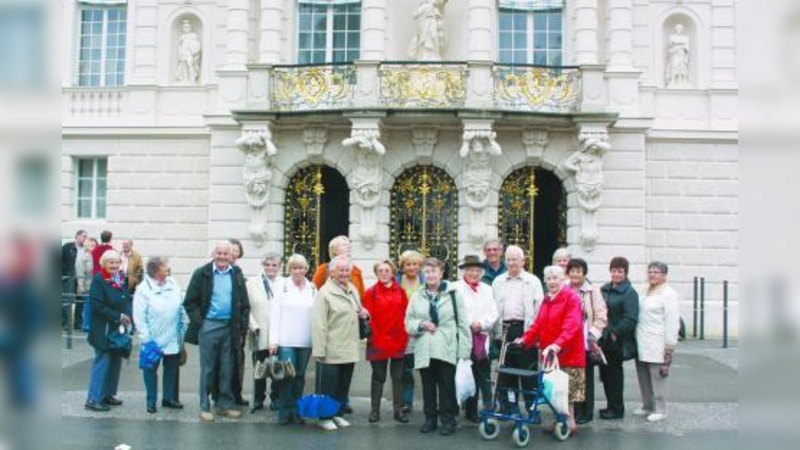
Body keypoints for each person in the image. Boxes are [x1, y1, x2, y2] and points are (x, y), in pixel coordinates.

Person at [514, 265, 585, 436]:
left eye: (555, 278)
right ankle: (560, 420)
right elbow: (538, 325)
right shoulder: (547, 299)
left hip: (568, 352)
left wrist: (557, 344)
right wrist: (525, 339)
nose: (552, 282)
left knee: (567, 390)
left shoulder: (571, 297)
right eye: (549, 278)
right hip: (550, 354)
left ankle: (570, 422)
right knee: (555, 390)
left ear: (562, 280)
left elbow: (572, 324)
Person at [183, 241, 250, 422]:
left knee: (227, 367)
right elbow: (190, 302)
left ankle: (224, 405)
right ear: (213, 254)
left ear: (231, 256)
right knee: (208, 368)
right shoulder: (201, 273)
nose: (222, 257)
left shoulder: (236, 273)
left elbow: (244, 304)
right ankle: (204, 405)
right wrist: (201, 322)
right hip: (209, 325)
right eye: (219, 253)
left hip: (230, 327)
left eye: (225, 254)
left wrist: (242, 330)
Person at [405, 257, 471, 436]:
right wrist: (421, 324)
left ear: (441, 273)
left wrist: (464, 351)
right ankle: (430, 419)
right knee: (428, 387)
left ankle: (448, 421)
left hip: (446, 347)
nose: (430, 275)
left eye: (434, 271)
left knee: (447, 386)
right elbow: (408, 323)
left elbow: (463, 324)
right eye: (427, 272)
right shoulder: (417, 295)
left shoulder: (453, 294)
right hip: (424, 348)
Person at [312, 255, 368, 431]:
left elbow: (357, 309)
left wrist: (364, 313)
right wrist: (319, 350)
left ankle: (337, 414)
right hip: (331, 347)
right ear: (332, 272)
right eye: (341, 270)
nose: (345, 273)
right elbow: (319, 324)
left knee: (343, 385)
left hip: (349, 346)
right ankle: (324, 418)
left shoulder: (352, 289)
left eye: (347, 270)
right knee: (328, 386)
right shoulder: (324, 293)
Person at [491, 245, 544, 415]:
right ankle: (512, 407)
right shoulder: (498, 281)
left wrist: (535, 335)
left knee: (528, 373)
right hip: (504, 331)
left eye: (515, 259)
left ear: (523, 261)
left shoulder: (533, 281)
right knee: (507, 374)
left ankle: (531, 408)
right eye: (508, 259)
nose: (511, 263)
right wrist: (496, 333)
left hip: (526, 330)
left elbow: (540, 310)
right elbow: (493, 308)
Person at [133, 256, 189, 414]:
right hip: (153, 337)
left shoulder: (173, 283)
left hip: (172, 335)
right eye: (165, 266)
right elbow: (139, 317)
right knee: (150, 370)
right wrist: (146, 338)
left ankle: (169, 398)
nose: (168, 269)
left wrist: (184, 326)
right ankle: (151, 401)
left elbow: (181, 305)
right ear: (156, 270)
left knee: (171, 368)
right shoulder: (143, 289)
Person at [269, 254, 316, 425]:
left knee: (300, 377)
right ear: (289, 269)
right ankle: (284, 412)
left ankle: (296, 412)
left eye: (301, 268)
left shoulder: (312, 288)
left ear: (306, 269)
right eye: (294, 268)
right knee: (287, 377)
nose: (298, 271)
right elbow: (275, 314)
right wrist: (273, 341)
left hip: (306, 341)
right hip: (286, 341)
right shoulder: (282, 286)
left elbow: (316, 315)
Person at [362, 260, 409, 424]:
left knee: (398, 378)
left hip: (398, 339)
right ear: (376, 273)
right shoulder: (371, 292)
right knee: (378, 377)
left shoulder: (401, 292)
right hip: (378, 340)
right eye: (380, 270)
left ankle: (398, 410)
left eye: (387, 270)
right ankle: (374, 410)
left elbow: (406, 314)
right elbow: (368, 317)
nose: (383, 273)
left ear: (393, 272)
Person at [85, 250, 131, 412]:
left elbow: (126, 298)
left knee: (115, 362)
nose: (115, 265)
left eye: (117, 262)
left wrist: (128, 314)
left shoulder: (120, 278)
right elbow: (97, 305)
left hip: (117, 327)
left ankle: (107, 394)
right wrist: (118, 315)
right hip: (103, 328)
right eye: (111, 262)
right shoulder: (99, 280)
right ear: (104, 264)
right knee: (102, 361)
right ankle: (93, 398)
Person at [455, 255, 499, 423]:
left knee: (481, 374)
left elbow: (493, 313)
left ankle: (477, 411)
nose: (474, 273)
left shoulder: (487, 289)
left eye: (477, 270)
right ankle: (457, 408)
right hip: (462, 337)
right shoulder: (455, 288)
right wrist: (468, 324)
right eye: (471, 270)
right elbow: (454, 311)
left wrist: (481, 324)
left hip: (481, 338)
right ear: (464, 271)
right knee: (462, 373)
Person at [634, 262, 680, 423]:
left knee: (658, 375)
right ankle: (647, 405)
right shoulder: (644, 290)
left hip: (658, 340)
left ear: (664, 275)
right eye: (650, 272)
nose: (652, 275)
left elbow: (672, 320)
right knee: (643, 375)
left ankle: (661, 409)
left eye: (656, 272)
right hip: (641, 338)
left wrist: (670, 345)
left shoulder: (669, 293)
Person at [566, 258, 608, 424]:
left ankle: (586, 412)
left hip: (585, 340)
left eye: (578, 271)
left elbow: (601, 315)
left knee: (586, 377)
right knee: (571, 376)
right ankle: (573, 411)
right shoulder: (564, 288)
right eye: (572, 271)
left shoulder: (592, 291)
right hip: (568, 340)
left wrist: (593, 334)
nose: (575, 274)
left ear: (584, 273)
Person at [598, 257, 639, 420]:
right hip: (603, 339)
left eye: (620, 271)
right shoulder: (605, 289)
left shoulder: (629, 293)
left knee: (614, 376)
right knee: (605, 375)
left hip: (616, 341)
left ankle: (617, 409)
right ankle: (610, 405)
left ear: (626, 273)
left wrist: (614, 333)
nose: (616, 274)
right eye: (614, 271)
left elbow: (630, 318)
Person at [245, 252, 282, 412]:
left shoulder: (284, 283)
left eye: (274, 265)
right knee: (259, 368)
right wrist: (252, 325)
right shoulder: (252, 283)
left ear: (279, 266)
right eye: (267, 264)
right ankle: (258, 398)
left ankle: (276, 398)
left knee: (277, 367)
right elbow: (246, 307)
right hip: (259, 331)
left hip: (278, 333)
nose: (270, 268)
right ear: (262, 265)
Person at [396, 249, 425, 414]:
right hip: (402, 330)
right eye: (408, 264)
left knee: (426, 368)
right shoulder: (396, 281)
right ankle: (406, 401)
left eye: (415, 264)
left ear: (420, 266)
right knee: (405, 369)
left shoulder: (425, 280)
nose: (412, 267)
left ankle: (430, 402)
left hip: (422, 329)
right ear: (402, 266)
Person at [226, 237, 249, 407]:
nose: (234, 254)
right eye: (231, 251)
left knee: (238, 361)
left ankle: (237, 393)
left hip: (237, 326)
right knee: (223, 362)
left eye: (236, 251)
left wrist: (243, 329)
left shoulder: (239, 272)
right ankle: (222, 395)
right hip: (223, 325)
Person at [312, 235, 365, 300]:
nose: (348, 247)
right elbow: (314, 292)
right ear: (334, 250)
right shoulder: (323, 269)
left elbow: (362, 296)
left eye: (349, 245)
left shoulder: (356, 270)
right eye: (344, 245)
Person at [76, 237, 97, 332]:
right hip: (87, 285)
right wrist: (81, 287)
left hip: (95, 285)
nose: (94, 247)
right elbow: (80, 273)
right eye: (92, 245)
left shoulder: (96, 256)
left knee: (93, 305)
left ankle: (91, 324)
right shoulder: (83, 257)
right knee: (87, 305)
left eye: (95, 245)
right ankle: (86, 325)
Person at [176, 19, 202, 84]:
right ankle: (185, 78)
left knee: (190, 64)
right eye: (184, 27)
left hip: (190, 53)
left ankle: (192, 78)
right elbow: (180, 46)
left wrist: (193, 51)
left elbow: (196, 45)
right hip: (183, 53)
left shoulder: (193, 35)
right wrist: (179, 54)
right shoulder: (182, 37)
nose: (185, 29)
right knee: (183, 66)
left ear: (190, 28)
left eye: (187, 27)